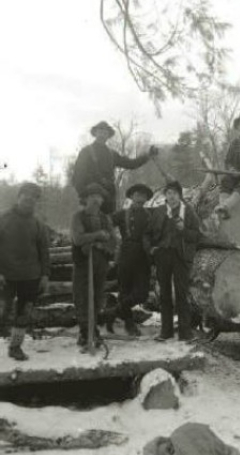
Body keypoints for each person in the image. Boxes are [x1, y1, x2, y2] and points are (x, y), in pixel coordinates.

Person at [0, 183, 50, 360]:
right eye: (26, 196)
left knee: (23, 315)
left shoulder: (38, 223)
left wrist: (44, 275)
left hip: (31, 277)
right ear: (18, 197)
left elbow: (44, 250)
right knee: (2, 311)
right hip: (6, 277)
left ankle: (15, 347)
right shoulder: (3, 219)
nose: (29, 201)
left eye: (33, 198)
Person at [145, 181, 201, 342]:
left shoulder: (188, 211)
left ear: (180, 195)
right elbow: (147, 233)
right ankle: (166, 331)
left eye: (175, 193)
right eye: (169, 193)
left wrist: (184, 230)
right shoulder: (159, 211)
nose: (172, 196)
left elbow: (197, 236)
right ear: (165, 196)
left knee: (182, 294)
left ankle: (185, 333)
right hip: (162, 255)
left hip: (181, 256)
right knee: (164, 295)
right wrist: (151, 249)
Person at [72, 121, 159, 214]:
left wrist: (147, 156)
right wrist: (84, 196)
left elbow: (130, 164)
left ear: (108, 135)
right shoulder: (86, 152)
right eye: (100, 131)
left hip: (108, 198)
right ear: (95, 133)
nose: (102, 134)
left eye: (105, 132)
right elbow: (78, 176)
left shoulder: (111, 154)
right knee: (89, 225)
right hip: (91, 198)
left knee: (109, 224)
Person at [70, 183, 117, 349]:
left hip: (100, 263)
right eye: (93, 197)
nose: (97, 200)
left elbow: (113, 241)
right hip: (83, 263)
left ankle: (93, 327)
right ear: (86, 199)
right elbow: (78, 239)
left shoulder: (105, 218)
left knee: (97, 297)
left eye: (99, 197)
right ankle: (85, 331)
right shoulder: (78, 217)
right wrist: (97, 235)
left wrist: (100, 245)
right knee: (82, 297)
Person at [111, 183, 154, 336]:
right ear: (131, 196)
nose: (140, 197)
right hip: (126, 256)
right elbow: (106, 223)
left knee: (142, 294)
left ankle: (113, 312)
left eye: (143, 195)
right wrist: (112, 241)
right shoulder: (122, 214)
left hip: (143, 258)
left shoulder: (151, 214)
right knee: (124, 291)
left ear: (147, 198)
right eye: (137, 194)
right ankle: (129, 325)